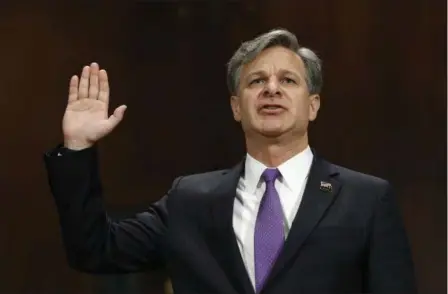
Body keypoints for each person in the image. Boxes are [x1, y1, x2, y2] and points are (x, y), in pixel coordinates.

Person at [43, 28, 417, 294]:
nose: (271, 88)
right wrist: (77, 148)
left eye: (288, 80)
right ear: (237, 107)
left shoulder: (366, 200)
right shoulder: (189, 199)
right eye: (256, 81)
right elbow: (94, 251)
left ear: (313, 105)